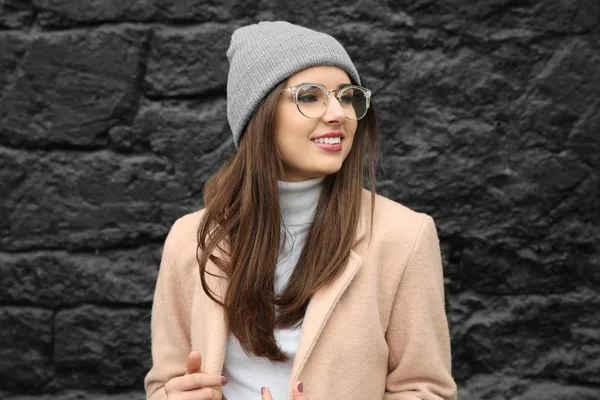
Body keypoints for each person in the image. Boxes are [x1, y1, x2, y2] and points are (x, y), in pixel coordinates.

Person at [144, 21, 457, 400]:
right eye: (309, 96)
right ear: (258, 114)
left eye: (346, 96)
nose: (338, 113)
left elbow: (426, 390)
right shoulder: (191, 238)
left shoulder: (404, 236)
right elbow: (165, 382)